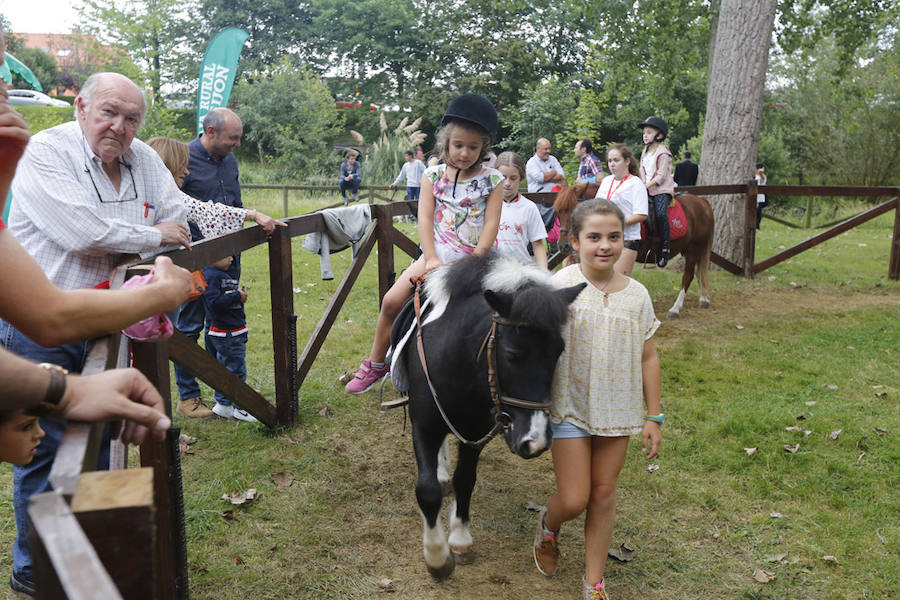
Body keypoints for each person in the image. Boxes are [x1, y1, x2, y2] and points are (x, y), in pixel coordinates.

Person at [2, 71, 192, 596]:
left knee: (101, 441)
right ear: (80, 107)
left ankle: (84, 554)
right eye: (109, 112)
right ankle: (35, 568)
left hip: (107, 324)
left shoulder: (144, 160)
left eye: (132, 118)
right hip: (40, 324)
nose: (120, 126)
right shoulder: (44, 151)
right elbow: (81, 232)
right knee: (46, 445)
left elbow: (179, 215)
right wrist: (148, 234)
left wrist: (137, 234)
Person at [533, 199, 662, 600]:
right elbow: (535, 348)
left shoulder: (637, 295)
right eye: (594, 237)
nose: (605, 245)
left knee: (604, 493)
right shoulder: (558, 286)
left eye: (613, 237)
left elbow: (648, 355)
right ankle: (548, 526)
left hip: (618, 410)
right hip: (569, 405)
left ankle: (594, 583)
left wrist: (653, 416)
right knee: (575, 498)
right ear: (574, 241)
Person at [344, 93, 503, 395]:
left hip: (474, 259)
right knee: (391, 301)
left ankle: (494, 372)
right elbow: (426, 219)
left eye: (473, 147)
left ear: (484, 148)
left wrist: (477, 260)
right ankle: (377, 363)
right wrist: (430, 258)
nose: (465, 153)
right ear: (445, 144)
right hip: (437, 255)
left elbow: (491, 223)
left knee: (497, 312)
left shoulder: (492, 180)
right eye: (458, 145)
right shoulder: (432, 176)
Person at [170, 109, 285, 420]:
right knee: (189, 327)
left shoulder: (230, 160)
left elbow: (232, 203)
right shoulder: (183, 159)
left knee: (220, 325)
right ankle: (189, 396)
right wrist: (204, 253)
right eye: (232, 138)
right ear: (210, 132)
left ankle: (225, 394)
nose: (237, 144)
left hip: (230, 256)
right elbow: (183, 209)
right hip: (197, 259)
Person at [200, 255, 256, 422]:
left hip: (229, 330)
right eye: (225, 255)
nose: (231, 258)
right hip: (228, 333)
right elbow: (214, 302)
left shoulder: (217, 273)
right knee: (236, 369)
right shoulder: (211, 276)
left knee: (226, 367)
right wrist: (237, 296)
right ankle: (240, 407)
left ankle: (224, 405)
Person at [595, 144, 648, 276]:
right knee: (601, 281)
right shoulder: (606, 181)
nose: (612, 164)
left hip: (627, 239)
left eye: (616, 160)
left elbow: (641, 215)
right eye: (610, 161)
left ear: (627, 161)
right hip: (603, 238)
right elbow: (595, 206)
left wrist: (617, 224)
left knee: (618, 283)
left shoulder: (636, 183)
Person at [494, 151, 548, 269]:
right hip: (493, 271)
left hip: (521, 272)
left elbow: (538, 244)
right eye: (503, 178)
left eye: (513, 178)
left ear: (521, 178)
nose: (507, 183)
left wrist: (545, 273)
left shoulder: (529, 207)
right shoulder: (486, 205)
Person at [638, 117, 676, 267]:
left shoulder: (663, 153)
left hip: (661, 189)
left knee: (660, 214)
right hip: (646, 188)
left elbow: (660, 176)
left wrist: (646, 186)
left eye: (649, 132)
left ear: (659, 135)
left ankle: (666, 248)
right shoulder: (645, 152)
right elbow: (642, 169)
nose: (645, 135)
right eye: (644, 133)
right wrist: (641, 184)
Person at [755, 162, 767, 229]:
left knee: (758, 213)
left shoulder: (761, 177)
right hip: (758, 197)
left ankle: (757, 226)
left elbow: (762, 184)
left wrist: (760, 174)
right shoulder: (758, 176)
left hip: (759, 198)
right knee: (757, 212)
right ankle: (756, 225)